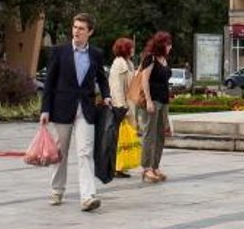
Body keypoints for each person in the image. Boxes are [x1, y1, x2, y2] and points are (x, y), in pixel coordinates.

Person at [40, 13, 111, 211]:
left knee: (85, 153)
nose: (76, 31)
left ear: (90, 32)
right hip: (61, 108)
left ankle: (87, 196)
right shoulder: (59, 51)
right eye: (74, 27)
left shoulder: (96, 54)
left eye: (81, 28)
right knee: (60, 152)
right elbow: (49, 83)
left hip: (85, 110)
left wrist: (106, 95)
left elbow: (102, 79)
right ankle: (57, 190)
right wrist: (45, 109)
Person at [139, 31, 173, 183]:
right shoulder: (150, 58)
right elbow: (144, 80)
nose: (170, 47)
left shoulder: (164, 59)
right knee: (149, 135)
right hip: (153, 101)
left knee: (160, 135)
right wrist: (148, 101)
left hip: (163, 101)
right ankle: (146, 168)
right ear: (161, 44)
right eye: (167, 44)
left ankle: (155, 166)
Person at [108, 37, 137, 178]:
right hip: (121, 106)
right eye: (130, 47)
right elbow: (116, 87)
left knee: (124, 137)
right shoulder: (119, 64)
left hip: (128, 105)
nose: (133, 50)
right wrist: (121, 107)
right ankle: (115, 166)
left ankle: (121, 166)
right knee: (118, 137)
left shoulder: (128, 63)